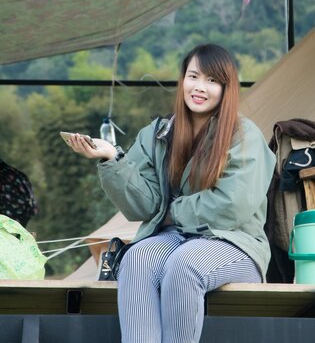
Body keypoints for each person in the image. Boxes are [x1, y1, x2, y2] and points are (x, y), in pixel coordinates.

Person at [68, 43, 276, 343]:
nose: (199, 87)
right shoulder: (158, 133)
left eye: (212, 80)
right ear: (183, 80)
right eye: (193, 77)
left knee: (185, 264)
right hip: (176, 239)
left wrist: (170, 212)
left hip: (235, 242)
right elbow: (143, 206)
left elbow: (233, 205)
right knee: (136, 258)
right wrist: (112, 159)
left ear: (226, 88)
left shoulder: (244, 135)